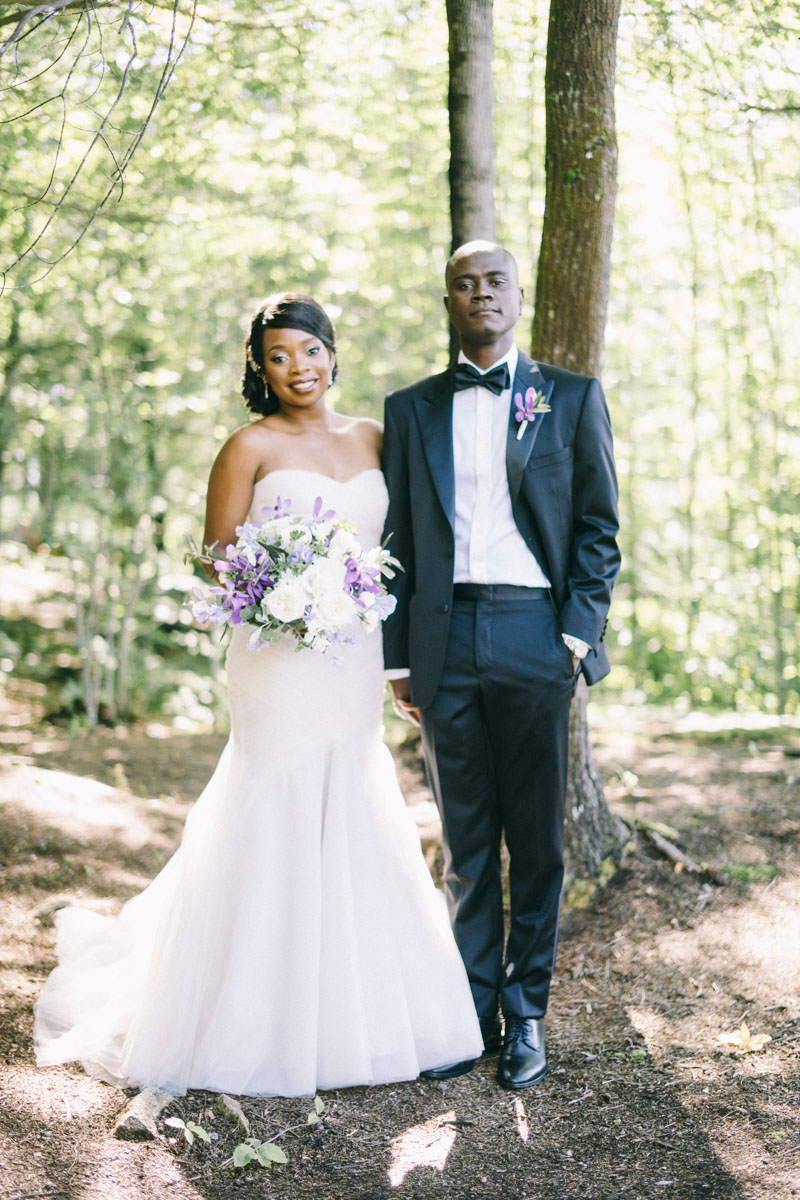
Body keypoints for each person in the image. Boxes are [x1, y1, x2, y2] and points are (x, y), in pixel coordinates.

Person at [34, 293, 483, 1097]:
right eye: (278, 357)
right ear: (261, 369)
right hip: (276, 650)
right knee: (272, 793)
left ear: (333, 355)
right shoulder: (247, 445)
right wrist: (283, 577)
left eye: (309, 352)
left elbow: (407, 548)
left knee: (354, 789)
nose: (297, 369)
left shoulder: (378, 437)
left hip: (352, 651)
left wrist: (387, 638)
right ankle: (252, 1010)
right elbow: (215, 553)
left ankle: (364, 1007)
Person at [382, 242, 620, 1090]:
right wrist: (397, 663)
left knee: (539, 842)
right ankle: (469, 1010)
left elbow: (598, 530)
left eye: (494, 282)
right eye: (463, 284)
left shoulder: (568, 397)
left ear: (517, 296)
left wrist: (573, 637)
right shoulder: (409, 410)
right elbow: (398, 543)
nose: (479, 294)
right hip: (444, 645)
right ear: (447, 299)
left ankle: (527, 1014)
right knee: (468, 842)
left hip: (533, 634)